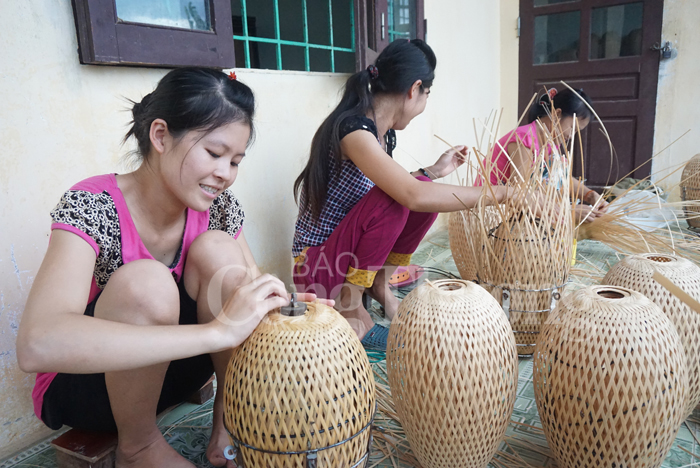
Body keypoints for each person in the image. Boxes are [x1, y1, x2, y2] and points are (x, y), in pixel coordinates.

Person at [17, 68, 323, 468]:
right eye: (214, 154)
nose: (225, 174)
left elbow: (248, 300)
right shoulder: (92, 205)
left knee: (219, 251)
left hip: (179, 375)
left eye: (235, 160)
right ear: (160, 136)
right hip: (93, 390)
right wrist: (216, 331)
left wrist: (293, 310)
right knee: (146, 282)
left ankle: (229, 421)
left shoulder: (219, 209)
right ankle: (139, 448)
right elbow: (37, 345)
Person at [292, 39, 520, 342]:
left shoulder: (381, 136)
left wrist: (433, 172)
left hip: (340, 257)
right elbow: (405, 195)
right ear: (414, 89)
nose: (424, 104)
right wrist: (502, 194)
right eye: (427, 94)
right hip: (317, 267)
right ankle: (350, 307)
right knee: (408, 197)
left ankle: (378, 286)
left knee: (423, 189)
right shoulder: (354, 131)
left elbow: (394, 189)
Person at [482, 87, 609, 223]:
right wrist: (568, 211)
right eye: (572, 127)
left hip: (522, 216)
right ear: (557, 114)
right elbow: (519, 195)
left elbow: (561, 179)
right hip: (493, 215)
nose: (572, 136)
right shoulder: (524, 140)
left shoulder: (551, 142)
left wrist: (590, 195)